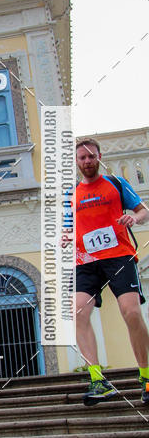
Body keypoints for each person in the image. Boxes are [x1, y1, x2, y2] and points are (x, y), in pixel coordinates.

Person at [70, 139, 149, 406]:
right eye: (82, 158)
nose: (87, 161)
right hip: (86, 260)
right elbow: (76, 227)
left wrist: (133, 219)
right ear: (77, 162)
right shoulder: (73, 194)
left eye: (91, 156)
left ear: (99, 158)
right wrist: (68, 236)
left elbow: (143, 211)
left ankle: (146, 377)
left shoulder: (115, 184)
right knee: (79, 311)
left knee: (132, 312)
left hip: (119, 256)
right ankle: (98, 381)